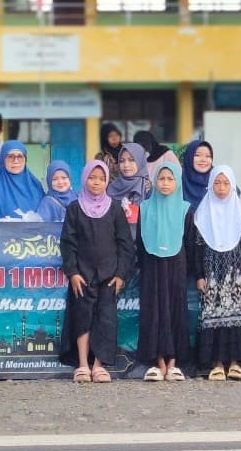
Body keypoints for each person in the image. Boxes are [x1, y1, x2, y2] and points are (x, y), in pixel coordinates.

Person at [58, 161, 135, 383]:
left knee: (105, 320)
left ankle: (98, 366)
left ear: (107, 181)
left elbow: (125, 245)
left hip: (109, 277)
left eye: (101, 179)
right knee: (82, 318)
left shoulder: (114, 209)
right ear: (84, 179)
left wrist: (120, 274)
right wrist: (73, 272)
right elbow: (68, 243)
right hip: (82, 276)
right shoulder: (75, 208)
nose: (96, 183)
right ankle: (83, 364)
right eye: (92, 178)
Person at [189, 165, 241, 381]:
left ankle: (234, 363)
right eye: (217, 183)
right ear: (210, 185)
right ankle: (216, 364)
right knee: (212, 318)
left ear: (232, 185)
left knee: (234, 317)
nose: (221, 188)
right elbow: (197, 248)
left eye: (226, 183)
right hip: (211, 275)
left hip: (234, 274)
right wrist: (199, 275)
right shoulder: (202, 213)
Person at [136, 162, 192, 382]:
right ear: (154, 181)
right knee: (154, 311)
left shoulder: (186, 210)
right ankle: (157, 362)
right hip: (152, 268)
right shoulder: (145, 209)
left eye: (170, 179)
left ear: (177, 182)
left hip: (177, 266)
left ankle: (173, 363)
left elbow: (189, 243)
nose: (165, 183)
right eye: (161, 178)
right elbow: (140, 245)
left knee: (175, 310)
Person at [0, 141, 45, 222]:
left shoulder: (35, 186)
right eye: (10, 156)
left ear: (25, 160)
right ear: (2, 159)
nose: (15, 161)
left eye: (20, 156)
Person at [106, 142, 150, 239]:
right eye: (122, 161)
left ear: (140, 161)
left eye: (131, 160)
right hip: (116, 241)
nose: (126, 165)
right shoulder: (111, 188)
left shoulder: (148, 188)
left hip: (143, 242)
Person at [182, 140, 214, 208]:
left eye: (208, 156)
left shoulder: (219, 180)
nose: (203, 160)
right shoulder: (177, 181)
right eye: (197, 155)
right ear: (189, 156)